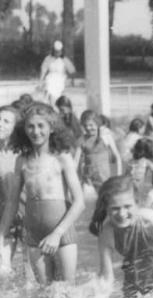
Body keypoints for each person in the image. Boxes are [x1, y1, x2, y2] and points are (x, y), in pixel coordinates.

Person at [0, 103, 84, 283]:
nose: (35, 131)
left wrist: (57, 234)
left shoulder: (62, 157)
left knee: (67, 291)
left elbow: (79, 202)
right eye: (30, 126)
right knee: (44, 294)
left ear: (52, 128)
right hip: (34, 235)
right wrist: (1, 236)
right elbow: (12, 203)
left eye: (41, 126)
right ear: (24, 129)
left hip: (62, 234)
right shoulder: (22, 160)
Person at [78, 109, 122, 192]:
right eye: (85, 125)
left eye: (91, 125)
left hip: (104, 177)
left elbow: (117, 156)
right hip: (88, 179)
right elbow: (75, 162)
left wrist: (118, 175)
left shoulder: (105, 136)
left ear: (97, 124)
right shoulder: (82, 139)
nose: (88, 128)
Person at [0, 105, 22, 267]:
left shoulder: (23, 154)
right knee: (3, 269)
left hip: (25, 218)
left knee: (32, 276)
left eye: (6, 121)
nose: (0, 123)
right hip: (4, 217)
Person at [39, 41, 76, 106]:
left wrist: (72, 80)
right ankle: (49, 102)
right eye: (56, 52)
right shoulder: (48, 59)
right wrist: (41, 80)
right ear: (53, 51)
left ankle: (57, 102)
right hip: (50, 78)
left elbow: (72, 70)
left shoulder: (64, 59)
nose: (57, 53)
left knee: (57, 93)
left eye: (59, 52)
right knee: (49, 86)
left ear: (61, 51)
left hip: (60, 79)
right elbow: (43, 70)